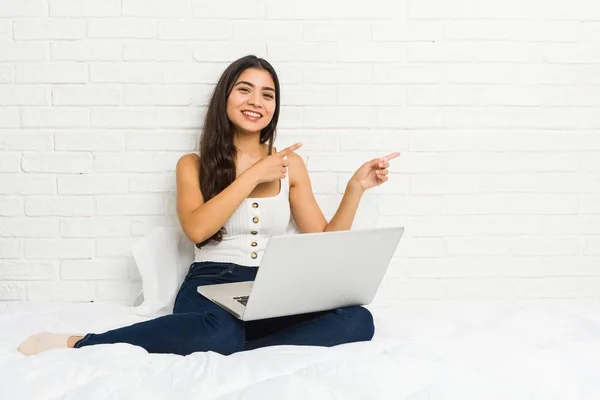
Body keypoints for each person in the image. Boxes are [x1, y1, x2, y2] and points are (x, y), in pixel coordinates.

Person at [17, 55, 400, 357]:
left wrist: (355, 189)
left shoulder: (291, 165)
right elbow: (197, 230)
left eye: (268, 95)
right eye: (245, 90)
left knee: (358, 321)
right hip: (210, 283)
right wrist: (252, 175)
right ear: (225, 98)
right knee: (218, 329)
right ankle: (84, 342)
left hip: (272, 285)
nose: (256, 102)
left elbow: (323, 242)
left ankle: (236, 343)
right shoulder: (193, 164)